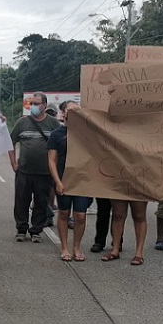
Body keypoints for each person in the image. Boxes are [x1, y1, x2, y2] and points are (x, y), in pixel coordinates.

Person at [9, 91, 60, 242]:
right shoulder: (22, 123)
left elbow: (60, 143)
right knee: (21, 201)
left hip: (44, 172)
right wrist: (13, 163)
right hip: (24, 170)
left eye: (37, 104)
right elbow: (11, 141)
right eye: (32, 103)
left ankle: (36, 230)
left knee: (41, 201)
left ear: (44, 105)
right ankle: (21, 229)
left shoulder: (53, 123)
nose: (34, 106)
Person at [47, 101, 92, 261]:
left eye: (77, 110)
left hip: (82, 181)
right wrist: (58, 182)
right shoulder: (57, 134)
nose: (74, 113)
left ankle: (77, 247)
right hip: (63, 180)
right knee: (64, 213)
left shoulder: (87, 133)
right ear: (63, 113)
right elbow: (52, 160)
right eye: (70, 110)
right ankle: (65, 247)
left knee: (80, 215)